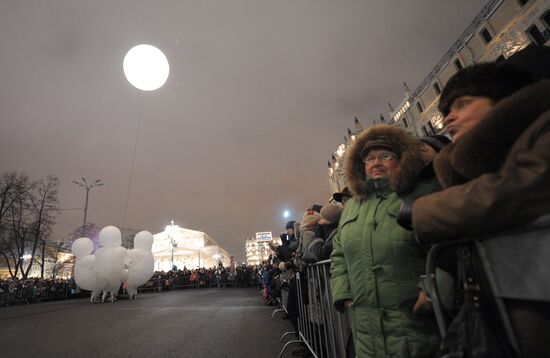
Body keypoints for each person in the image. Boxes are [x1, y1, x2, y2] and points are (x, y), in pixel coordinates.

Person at [397, 61, 550, 356]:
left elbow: (524, 187)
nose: (448, 119)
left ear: (503, 99)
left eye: (463, 104)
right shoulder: (470, 168)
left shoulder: (542, 129)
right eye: (445, 112)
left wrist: (424, 211)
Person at [330, 124, 441, 357]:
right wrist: (344, 294)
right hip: (365, 325)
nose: (376, 163)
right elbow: (338, 254)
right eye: (369, 159)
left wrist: (434, 289)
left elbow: (447, 245)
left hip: (414, 322)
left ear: (401, 160)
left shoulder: (421, 194)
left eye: (385, 156)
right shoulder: (352, 207)